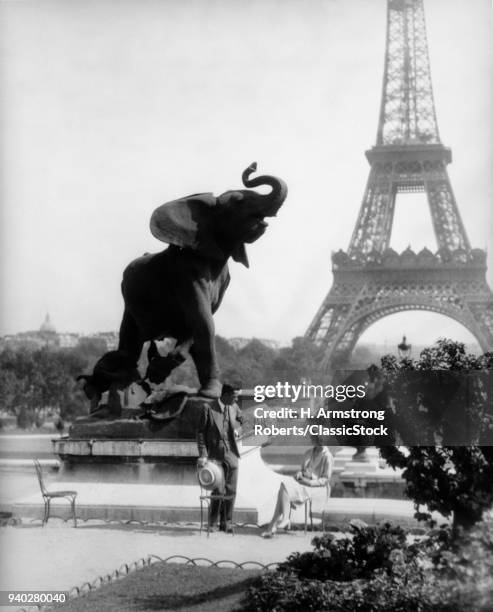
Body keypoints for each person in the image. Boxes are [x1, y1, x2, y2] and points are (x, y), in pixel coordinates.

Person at [261, 440, 334, 538]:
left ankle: (274, 525)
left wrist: (309, 482)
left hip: (318, 488)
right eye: (316, 438)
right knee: (284, 487)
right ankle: (280, 522)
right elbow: (303, 470)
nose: (318, 441)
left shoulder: (327, 456)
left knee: (284, 488)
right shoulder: (309, 452)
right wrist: (300, 474)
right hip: (304, 483)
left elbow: (325, 480)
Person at [196, 384, 242, 533]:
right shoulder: (208, 408)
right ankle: (213, 523)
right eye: (234, 396)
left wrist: (238, 430)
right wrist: (203, 454)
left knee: (231, 490)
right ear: (226, 395)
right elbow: (201, 432)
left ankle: (227, 522)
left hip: (232, 454)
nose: (236, 399)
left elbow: (243, 420)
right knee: (218, 490)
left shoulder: (234, 407)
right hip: (215, 455)